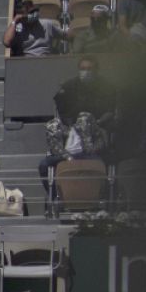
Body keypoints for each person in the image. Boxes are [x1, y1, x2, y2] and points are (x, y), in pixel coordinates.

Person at [40, 56, 115, 199]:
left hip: (95, 131)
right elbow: (61, 110)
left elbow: (110, 112)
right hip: (71, 130)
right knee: (45, 162)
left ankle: (86, 156)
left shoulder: (106, 88)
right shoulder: (70, 87)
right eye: (83, 69)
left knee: (85, 118)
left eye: (89, 69)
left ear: (96, 70)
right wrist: (70, 124)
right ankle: (58, 196)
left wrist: (96, 123)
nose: (85, 72)